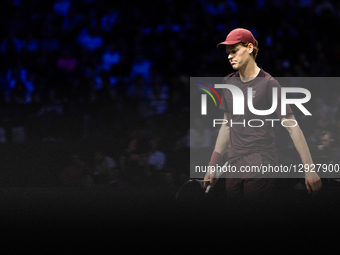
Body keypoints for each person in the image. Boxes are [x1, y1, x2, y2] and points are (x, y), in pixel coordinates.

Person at [203, 28, 322, 201]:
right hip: (234, 165)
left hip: (261, 162)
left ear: (250, 48)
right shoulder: (228, 82)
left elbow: (292, 127)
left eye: (234, 51)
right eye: (228, 53)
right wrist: (212, 165)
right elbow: (226, 125)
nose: (229, 56)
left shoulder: (269, 84)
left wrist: (310, 168)